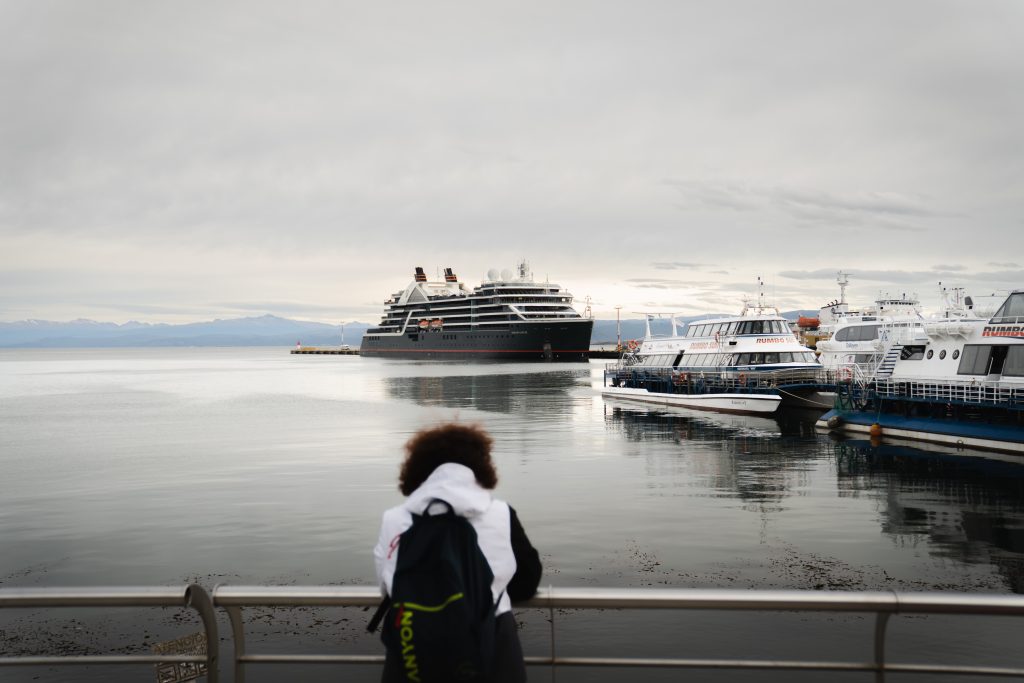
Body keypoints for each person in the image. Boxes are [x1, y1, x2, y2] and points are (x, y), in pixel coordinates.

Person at [373, 423, 542, 682]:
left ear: (417, 468)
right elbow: (527, 583)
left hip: (412, 641)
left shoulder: (394, 519)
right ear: (481, 467)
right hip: (492, 637)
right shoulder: (500, 513)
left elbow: (389, 585)